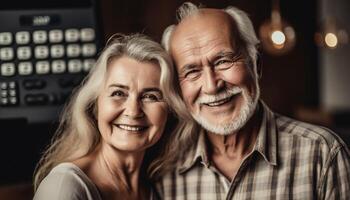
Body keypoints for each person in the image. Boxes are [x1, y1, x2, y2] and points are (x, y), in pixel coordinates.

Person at [151, 2, 350, 199]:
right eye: (192, 71)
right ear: (178, 87)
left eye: (223, 61)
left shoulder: (323, 154)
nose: (212, 86)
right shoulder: (167, 175)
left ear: (256, 64)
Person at [33, 33, 181, 200]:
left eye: (150, 96)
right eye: (118, 93)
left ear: (169, 110)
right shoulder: (65, 187)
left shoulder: (156, 188)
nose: (133, 111)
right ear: (95, 106)